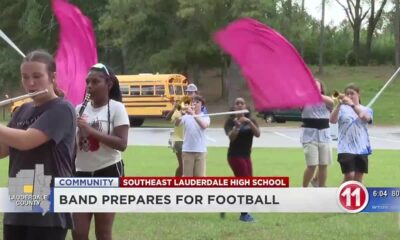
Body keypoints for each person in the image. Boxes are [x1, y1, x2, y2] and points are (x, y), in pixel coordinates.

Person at [0, 50, 76, 240]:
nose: (30, 83)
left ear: (52, 77)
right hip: (19, 201)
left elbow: (26, 141)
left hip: (48, 207)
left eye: (37, 76)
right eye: (25, 77)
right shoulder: (22, 110)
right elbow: (3, 150)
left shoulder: (62, 109)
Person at [73, 63, 129, 240]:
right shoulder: (78, 109)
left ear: (109, 84)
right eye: (87, 81)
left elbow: (122, 144)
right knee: (78, 232)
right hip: (81, 173)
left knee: (103, 233)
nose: (89, 86)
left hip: (108, 171)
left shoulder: (117, 108)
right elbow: (74, 145)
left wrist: (90, 130)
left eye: (95, 81)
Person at [224, 97, 260, 222]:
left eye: (242, 103)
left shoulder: (251, 120)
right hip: (234, 156)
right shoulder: (230, 122)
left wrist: (249, 122)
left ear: (246, 106)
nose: (239, 105)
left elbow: (258, 134)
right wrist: (237, 127)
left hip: (246, 156)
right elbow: (231, 138)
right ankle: (244, 214)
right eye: (237, 103)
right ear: (234, 107)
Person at [330, 84, 373, 183]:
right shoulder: (341, 109)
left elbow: (365, 118)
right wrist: (339, 105)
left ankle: (356, 197)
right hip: (345, 147)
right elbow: (332, 120)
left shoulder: (366, 109)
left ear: (358, 94)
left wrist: (352, 105)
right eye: (347, 94)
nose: (349, 96)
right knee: (349, 175)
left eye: (352, 93)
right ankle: (341, 195)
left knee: (358, 177)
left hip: (361, 148)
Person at [301, 81, 334, 188]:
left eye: (316, 86)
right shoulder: (304, 99)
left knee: (324, 164)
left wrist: (317, 95)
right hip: (309, 137)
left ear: (321, 88)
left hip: (324, 136)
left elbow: (332, 103)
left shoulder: (327, 100)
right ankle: (304, 187)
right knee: (312, 165)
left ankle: (321, 187)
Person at [176, 95, 210, 176]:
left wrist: (193, 114)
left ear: (202, 105)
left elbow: (204, 125)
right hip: (187, 151)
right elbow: (177, 124)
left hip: (200, 151)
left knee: (200, 178)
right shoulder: (186, 116)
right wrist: (180, 113)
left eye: (197, 102)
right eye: (193, 102)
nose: (195, 104)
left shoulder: (205, 116)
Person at [165, 100, 184, 176]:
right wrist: (174, 108)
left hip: (189, 141)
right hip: (178, 141)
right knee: (182, 165)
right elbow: (168, 119)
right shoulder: (177, 112)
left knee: (188, 165)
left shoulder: (191, 111)